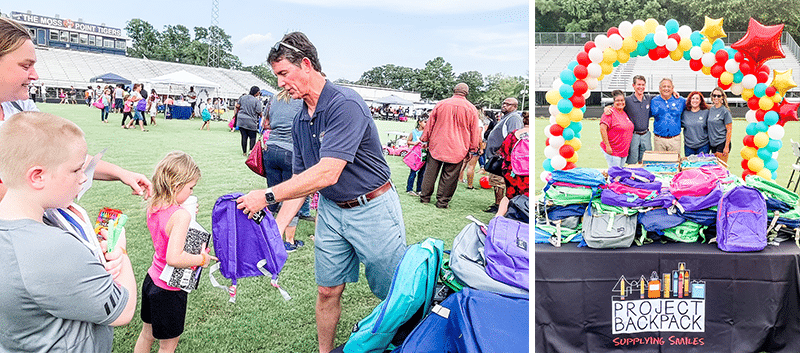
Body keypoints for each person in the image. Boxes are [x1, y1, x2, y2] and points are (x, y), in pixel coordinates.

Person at [236, 32, 407, 353]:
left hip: (372, 207)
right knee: (328, 290)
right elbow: (302, 181)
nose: (280, 83)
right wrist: (275, 234)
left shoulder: (345, 104)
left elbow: (328, 171)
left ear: (306, 64)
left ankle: (410, 343)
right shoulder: (301, 117)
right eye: (276, 76)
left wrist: (267, 196)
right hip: (330, 210)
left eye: (283, 73)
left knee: (395, 291)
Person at [0, 111, 137, 352]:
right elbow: (123, 311)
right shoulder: (52, 248)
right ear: (37, 176)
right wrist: (121, 250)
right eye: (75, 170)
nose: (84, 178)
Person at [0, 17, 153, 200]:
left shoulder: (19, 106)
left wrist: (121, 173)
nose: (35, 75)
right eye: (26, 66)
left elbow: (60, 153)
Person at [134, 151, 216, 353]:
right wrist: (201, 259)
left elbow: (166, 234)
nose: (191, 191)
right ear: (177, 186)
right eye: (190, 187)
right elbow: (174, 257)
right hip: (169, 290)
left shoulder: (154, 204)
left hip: (151, 281)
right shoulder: (180, 216)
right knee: (167, 347)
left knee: (147, 334)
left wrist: (185, 211)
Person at [419, 82, 481, 209]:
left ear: (454, 90)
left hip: (437, 145)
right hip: (458, 148)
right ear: (466, 93)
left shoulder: (441, 104)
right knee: (450, 177)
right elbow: (474, 131)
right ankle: (442, 202)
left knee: (430, 173)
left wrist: (424, 140)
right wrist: (473, 148)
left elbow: (429, 124)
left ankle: (425, 197)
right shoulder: (471, 109)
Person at [261, 90, 306, 251]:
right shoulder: (302, 100)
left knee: (272, 195)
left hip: (271, 148)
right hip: (291, 150)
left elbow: (265, 124)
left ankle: (266, 235)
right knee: (292, 195)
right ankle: (289, 241)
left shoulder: (274, 99)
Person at [483, 97, 523, 213]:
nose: (504, 105)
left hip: (502, 157)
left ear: (515, 107)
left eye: (508, 104)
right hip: (496, 155)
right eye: (504, 103)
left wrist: (503, 151)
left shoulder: (514, 118)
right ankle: (498, 204)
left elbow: (513, 137)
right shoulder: (507, 117)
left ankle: (500, 206)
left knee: (499, 181)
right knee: (495, 181)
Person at [494, 111, 530, 217]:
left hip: (513, 171)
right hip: (528, 173)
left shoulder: (513, 134)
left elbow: (504, 151)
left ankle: (498, 217)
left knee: (509, 196)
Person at [600, 90, 635, 168]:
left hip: (623, 151)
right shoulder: (609, 113)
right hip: (613, 150)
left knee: (619, 173)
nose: (620, 102)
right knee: (615, 173)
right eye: (617, 101)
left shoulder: (624, 113)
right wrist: (607, 146)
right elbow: (602, 129)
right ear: (614, 102)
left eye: (622, 100)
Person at [650, 78, 686, 152]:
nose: (666, 88)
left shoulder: (680, 100)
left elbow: (695, 105)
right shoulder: (654, 101)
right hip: (659, 140)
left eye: (669, 87)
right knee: (660, 162)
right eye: (664, 86)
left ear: (672, 88)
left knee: (675, 162)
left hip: (675, 139)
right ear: (660, 88)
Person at [624, 75, 654, 164]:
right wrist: (607, 108)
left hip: (646, 134)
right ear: (633, 85)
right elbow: (616, 106)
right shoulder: (627, 100)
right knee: (632, 161)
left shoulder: (649, 98)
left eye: (643, 85)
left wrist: (674, 92)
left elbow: (664, 94)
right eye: (639, 84)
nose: (641, 87)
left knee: (645, 160)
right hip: (633, 135)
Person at [707, 87, 733, 163]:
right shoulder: (711, 109)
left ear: (722, 97)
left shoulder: (725, 111)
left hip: (722, 143)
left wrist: (726, 147)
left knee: (721, 168)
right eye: (714, 95)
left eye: (718, 96)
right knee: (715, 168)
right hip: (712, 143)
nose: (716, 97)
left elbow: (729, 130)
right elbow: (701, 104)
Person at [681, 91, 710, 157]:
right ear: (690, 100)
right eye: (693, 98)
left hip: (703, 145)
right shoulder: (684, 113)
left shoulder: (706, 112)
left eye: (697, 99)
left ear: (700, 101)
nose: (695, 100)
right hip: (689, 146)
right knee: (690, 166)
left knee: (701, 166)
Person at [236, 86, 263, 155]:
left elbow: (237, 106)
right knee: (252, 137)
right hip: (251, 121)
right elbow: (259, 111)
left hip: (241, 119)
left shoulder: (242, 97)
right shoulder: (257, 101)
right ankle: (251, 151)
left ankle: (244, 152)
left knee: (244, 136)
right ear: (257, 93)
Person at [405, 118, 427, 196]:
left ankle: (419, 189)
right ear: (419, 122)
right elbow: (408, 141)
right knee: (413, 172)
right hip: (416, 155)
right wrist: (414, 143)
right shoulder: (414, 132)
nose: (426, 124)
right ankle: (409, 189)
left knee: (422, 173)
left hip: (424, 154)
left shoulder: (427, 133)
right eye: (425, 122)